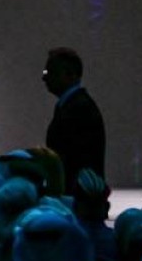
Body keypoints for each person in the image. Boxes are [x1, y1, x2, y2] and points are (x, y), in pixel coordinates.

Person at [42, 47, 106, 192]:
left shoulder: (78, 108)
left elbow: (74, 160)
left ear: (70, 75)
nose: (44, 78)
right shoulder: (75, 105)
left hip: (75, 196)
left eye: (50, 72)